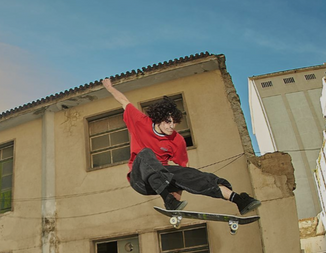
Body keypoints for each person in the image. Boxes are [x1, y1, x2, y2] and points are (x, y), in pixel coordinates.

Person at [101, 78, 261, 215]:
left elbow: (183, 175)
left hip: (162, 180)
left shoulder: (177, 140)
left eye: (175, 123)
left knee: (193, 174)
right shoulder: (140, 121)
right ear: (158, 118)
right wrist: (109, 87)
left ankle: (238, 199)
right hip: (139, 179)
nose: (172, 127)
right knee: (146, 153)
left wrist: (176, 202)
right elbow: (123, 101)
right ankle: (167, 199)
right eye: (168, 122)